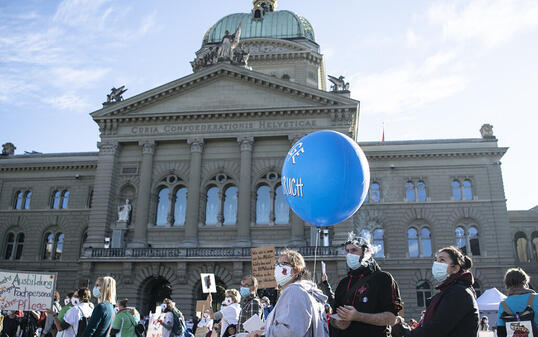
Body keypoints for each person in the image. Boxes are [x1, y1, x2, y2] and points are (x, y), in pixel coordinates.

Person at [392, 246, 479, 337]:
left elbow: (435, 329)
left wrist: (403, 331)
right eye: (436, 260)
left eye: (442, 260)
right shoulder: (452, 290)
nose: (437, 264)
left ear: (455, 269)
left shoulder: (459, 292)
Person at [330, 233, 402, 337]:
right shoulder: (343, 283)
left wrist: (358, 316)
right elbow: (333, 316)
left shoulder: (383, 279)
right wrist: (338, 323)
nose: (349, 254)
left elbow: (392, 318)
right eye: (348, 251)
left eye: (354, 250)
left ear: (367, 252)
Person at [247, 249, 329, 337]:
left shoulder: (294, 290)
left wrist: (265, 333)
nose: (278, 268)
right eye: (277, 264)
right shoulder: (306, 291)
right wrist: (268, 326)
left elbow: (291, 331)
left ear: (297, 269)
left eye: (283, 264)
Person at [496, 268, 537, 337]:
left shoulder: (503, 304)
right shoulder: (536, 298)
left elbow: (501, 331)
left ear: (507, 284)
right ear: (524, 282)